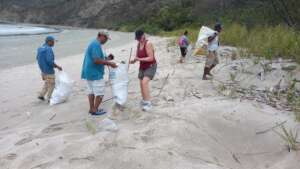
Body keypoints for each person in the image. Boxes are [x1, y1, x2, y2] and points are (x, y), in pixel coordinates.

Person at [81, 31, 117, 116]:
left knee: (91, 91)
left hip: (88, 71)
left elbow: (98, 58)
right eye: (106, 39)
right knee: (100, 92)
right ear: (101, 36)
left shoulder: (94, 43)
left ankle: (91, 108)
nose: (106, 41)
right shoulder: (96, 44)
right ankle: (95, 109)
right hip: (94, 72)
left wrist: (108, 58)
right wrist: (110, 63)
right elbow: (96, 60)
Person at [130, 30, 157, 111]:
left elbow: (151, 58)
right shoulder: (138, 44)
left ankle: (148, 103)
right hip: (142, 66)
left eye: (140, 38)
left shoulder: (148, 44)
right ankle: (144, 100)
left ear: (143, 36)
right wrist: (133, 61)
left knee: (144, 82)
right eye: (138, 39)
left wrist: (139, 59)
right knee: (141, 83)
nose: (139, 40)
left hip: (151, 66)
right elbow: (137, 56)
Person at [37, 36, 62, 102]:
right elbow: (50, 61)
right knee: (52, 84)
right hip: (48, 70)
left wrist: (42, 70)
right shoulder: (48, 49)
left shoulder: (40, 48)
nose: (54, 43)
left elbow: (37, 58)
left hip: (42, 70)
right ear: (49, 41)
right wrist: (57, 66)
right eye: (53, 42)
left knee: (47, 83)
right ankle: (49, 98)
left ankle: (41, 95)